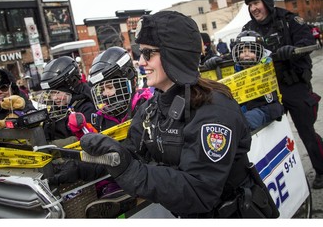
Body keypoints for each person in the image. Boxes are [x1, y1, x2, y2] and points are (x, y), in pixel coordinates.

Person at [79, 11, 279, 218]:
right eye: (140, 53)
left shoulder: (215, 110)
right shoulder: (153, 106)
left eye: (148, 54)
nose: (140, 62)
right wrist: (78, 166)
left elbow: (200, 191)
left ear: (174, 54)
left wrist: (131, 172)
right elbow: (130, 152)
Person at [49, 47, 153, 218]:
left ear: (130, 81)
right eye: (101, 89)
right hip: (109, 178)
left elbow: (131, 149)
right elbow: (97, 147)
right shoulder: (99, 117)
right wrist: (82, 133)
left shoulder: (146, 105)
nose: (104, 94)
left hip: (142, 172)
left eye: (110, 87)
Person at [243, 0, 323, 189]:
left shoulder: (289, 20)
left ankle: (321, 169)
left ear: (267, 3)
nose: (253, 8)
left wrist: (294, 49)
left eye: (256, 3)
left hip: (294, 87)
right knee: (270, 133)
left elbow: (307, 41)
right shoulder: (248, 29)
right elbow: (238, 52)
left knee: (306, 131)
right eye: (250, 5)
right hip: (268, 91)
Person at [231, 30, 284, 130]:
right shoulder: (236, 72)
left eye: (251, 51)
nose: (246, 54)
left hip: (264, 109)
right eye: (242, 51)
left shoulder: (266, 69)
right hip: (244, 110)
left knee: (247, 121)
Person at [38, 56, 96, 146]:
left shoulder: (86, 107)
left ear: (71, 87)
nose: (54, 98)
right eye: (52, 94)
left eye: (57, 93)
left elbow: (89, 140)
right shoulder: (58, 108)